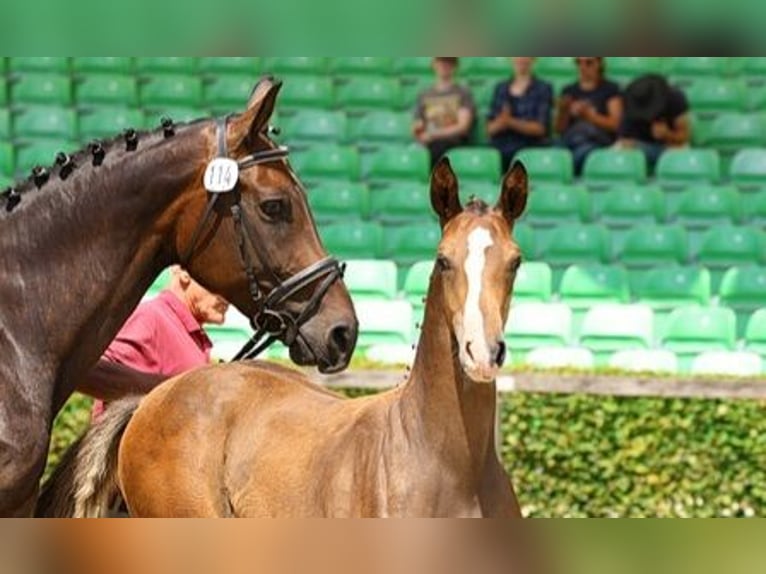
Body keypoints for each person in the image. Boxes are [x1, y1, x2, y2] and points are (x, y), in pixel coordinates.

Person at [90, 265, 229, 421]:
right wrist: (179, 391)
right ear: (184, 272)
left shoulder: (190, 333)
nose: (229, 295)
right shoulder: (150, 316)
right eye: (221, 278)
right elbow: (94, 373)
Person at [554, 57, 622, 175]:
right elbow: (559, 129)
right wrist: (563, 111)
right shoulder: (569, 90)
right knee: (556, 149)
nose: (583, 67)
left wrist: (589, 116)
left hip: (596, 140)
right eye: (578, 62)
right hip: (571, 139)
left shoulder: (610, 89)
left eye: (588, 63)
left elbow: (616, 124)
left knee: (580, 153)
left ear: (599, 64)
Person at [486, 57, 553, 172]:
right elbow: (490, 129)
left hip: (530, 147)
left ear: (533, 59)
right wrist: (502, 122)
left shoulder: (543, 88)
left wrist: (510, 122)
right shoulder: (501, 88)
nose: (521, 59)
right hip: (501, 146)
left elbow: (540, 128)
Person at [615, 73, 690, 170]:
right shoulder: (631, 101)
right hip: (639, 145)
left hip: (669, 145)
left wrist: (667, 134)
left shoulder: (675, 98)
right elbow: (624, 138)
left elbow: (684, 136)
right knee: (618, 152)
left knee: (683, 155)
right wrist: (629, 145)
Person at [412, 57, 476, 168]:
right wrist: (419, 133)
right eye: (441, 61)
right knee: (416, 153)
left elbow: (463, 126)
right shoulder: (424, 94)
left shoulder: (462, 92)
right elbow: (417, 124)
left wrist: (433, 134)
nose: (444, 65)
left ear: (455, 66)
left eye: (448, 62)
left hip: (453, 143)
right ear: (434, 64)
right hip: (430, 143)